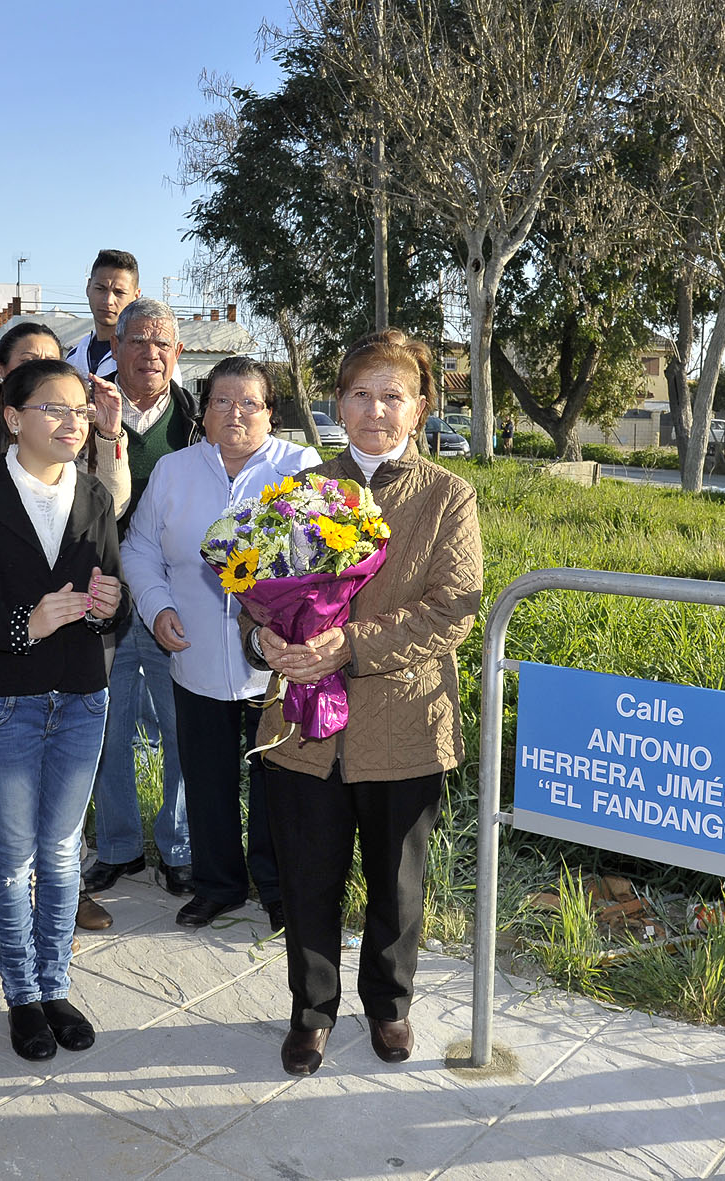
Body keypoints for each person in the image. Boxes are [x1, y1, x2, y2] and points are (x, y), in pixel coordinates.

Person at [245, 328, 482, 1076]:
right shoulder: (301, 490)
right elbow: (258, 589)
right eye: (359, 394)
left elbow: (453, 610)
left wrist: (347, 644)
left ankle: (389, 1005)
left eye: (393, 395)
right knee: (307, 877)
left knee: (396, 881)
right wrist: (270, 643)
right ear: (338, 404)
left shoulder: (449, 496)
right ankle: (310, 1012)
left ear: (419, 409)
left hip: (404, 722)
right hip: (303, 728)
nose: (375, 410)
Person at [0, 359, 126, 1060]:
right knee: (13, 859)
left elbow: (114, 590)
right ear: (13, 418)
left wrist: (112, 605)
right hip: (5, 697)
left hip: (80, 695)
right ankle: (22, 996)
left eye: (80, 411)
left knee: (64, 853)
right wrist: (22, 624)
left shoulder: (95, 494)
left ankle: (55, 983)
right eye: (55, 410)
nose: (75, 423)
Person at [123, 356, 320, 931]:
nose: (234, 413)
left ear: (271, 413)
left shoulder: (301, 469)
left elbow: (327, 562)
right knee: (205, 777)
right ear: (202, 411)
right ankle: (217, 885)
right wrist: (157, 607)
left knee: (274, 776)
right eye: (220, 402)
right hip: (195, 655)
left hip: (276, 662)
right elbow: (139, 550)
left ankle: (277, 887)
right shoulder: (174, 470)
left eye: (249, 403)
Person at [81, 298, 201, 900]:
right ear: (115, 347)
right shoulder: (85, 414)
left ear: (176, 354)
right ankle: (120, 846)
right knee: (109, 724)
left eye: (162, 343)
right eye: (137, 341)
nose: (150, 353)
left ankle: (179, 848)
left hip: (177, 602)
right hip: (100, 597)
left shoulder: (198, 417)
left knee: (181, 726)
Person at [0, 320, 128, 509]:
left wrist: (110, 436)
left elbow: (111, 505)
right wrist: (18, 426)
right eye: (28, 362)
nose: (41, 373)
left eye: (51, 364)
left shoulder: (71, 432)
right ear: (0, 369)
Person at [63, 249, 140, 383]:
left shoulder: (148, 358)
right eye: (100, 289)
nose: (108, 300)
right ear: (88, 287)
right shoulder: (73, 358)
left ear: (136, 296)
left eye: (119, 292)